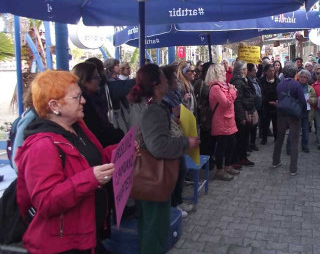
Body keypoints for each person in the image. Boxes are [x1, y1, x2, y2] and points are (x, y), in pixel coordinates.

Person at [15, 70, 116, 254]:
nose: (83, 101)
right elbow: (45, 201)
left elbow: (96, 161)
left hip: (86, 235)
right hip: (62, 245)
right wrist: (91, 179)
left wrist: (121, 152)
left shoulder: (77, 128)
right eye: (77, 97)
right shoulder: (41, 146)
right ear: (54, 105)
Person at [128, 64, 199, 254]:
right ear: (157, 84)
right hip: (153, 179)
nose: (169, 81)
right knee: (156, 231)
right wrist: (186, 143)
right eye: (165, 78)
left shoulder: (145, 105)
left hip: (145, 178)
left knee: (149, 227)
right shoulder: (153, 109)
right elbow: (158, 147)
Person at [161, 65, 194, 217]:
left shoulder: (174, 94)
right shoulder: (162, 100)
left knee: (181, 170)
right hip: (170, 142)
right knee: (176, 172)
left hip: (177, 136)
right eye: (174, 77)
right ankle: (173, 205)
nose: (177, 79)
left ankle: (177, 202)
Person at [72, 62, 125, 147]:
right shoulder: (85, 105)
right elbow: (98, 134)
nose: (100, 79)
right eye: (96, 77)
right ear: (85, 81)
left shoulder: (95, 98)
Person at [271, 63, 307, 175]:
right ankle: (293, 169)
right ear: (295, 73)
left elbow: (279, 98)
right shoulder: (296, 85)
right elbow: (302, 101)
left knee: (279, 139)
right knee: (294, 141)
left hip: (281, 114)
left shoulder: (280, 84)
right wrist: (302, 112)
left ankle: (275, 161)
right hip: (294, 116)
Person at [207, 63, 239, 180]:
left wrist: (231, 92)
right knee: (222, 146)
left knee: (232, 143)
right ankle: (220, 170)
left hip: (229, 120)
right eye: (221, 71)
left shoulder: (223, 86)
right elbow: (226, 103)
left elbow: (230, 99)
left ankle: (228, 166)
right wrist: (232, 91)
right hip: (221, 121)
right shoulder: (215, 88)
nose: (224, 73)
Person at [229, 60, 256, 167]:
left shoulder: (242, 80)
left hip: (245, 111)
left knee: (244, 138)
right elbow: (238, 101)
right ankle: (236, 159)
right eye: (244, 69)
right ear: (241, 70)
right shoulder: (238, 81)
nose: (246, 71)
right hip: (241, 114)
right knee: (240, 138)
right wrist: (241, 117)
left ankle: (242, 157)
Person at [193, 62, 217, 169]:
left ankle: (211, 158)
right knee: (205, 139)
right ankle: (205, 160)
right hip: (204, 116)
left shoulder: (215, 82)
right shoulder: (200, 83)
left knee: (213, 139)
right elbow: (193, 97)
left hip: (215, 114)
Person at [295, 69, 317, 153]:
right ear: (298, 77)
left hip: (306, 113)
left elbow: (315, 99)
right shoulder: (295, 86)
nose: (303, 78)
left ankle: (305, 146)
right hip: (296, 112)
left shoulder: (311, 88)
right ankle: (290, 147)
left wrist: (311, 100)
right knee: (294, 131)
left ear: (308, 79)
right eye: (301, 77)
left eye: (305, 77)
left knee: (305, 131)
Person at [259, 64, 279, 145]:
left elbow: (281, 92)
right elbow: (261, 93)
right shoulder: (261, 81)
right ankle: (264, 139)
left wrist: (278, 101)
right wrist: (268, 101)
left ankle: (276, 138)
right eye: (270, 71)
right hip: (266, 105)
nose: (272, 72)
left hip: (276, 105)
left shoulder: (278, 80)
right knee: (265, 123)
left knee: (276, 123)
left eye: (273, 70)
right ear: (266, 72)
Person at [247, 63, 261, 151]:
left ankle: (252, 142)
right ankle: (249, 144)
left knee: (255, 125)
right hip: (251, 107)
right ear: (248, 71)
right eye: (253, 70)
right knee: (250, 126)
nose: (255, 72)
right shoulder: (247, 81)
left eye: (256, 70)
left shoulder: (255, 79)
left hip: (257, 106)